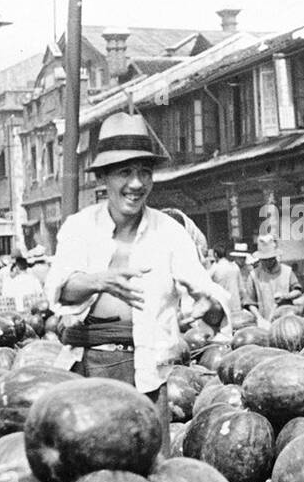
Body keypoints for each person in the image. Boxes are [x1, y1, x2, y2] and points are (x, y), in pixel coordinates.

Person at [47, 112, 226, 425]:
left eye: (144, 172)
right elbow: (60, 289)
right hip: (88, 367)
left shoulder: (170, 232)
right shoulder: (79, 228)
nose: (136, 183)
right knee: (91, 464)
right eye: (125, 172)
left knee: (148, 465)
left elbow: (208, 296)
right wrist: (98, 281)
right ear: (104, 177)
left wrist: (207, 303)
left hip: (148, 372)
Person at [248, 234, 302, 321]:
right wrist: (259, 318)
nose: (267, 262)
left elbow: (298, 291)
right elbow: (250, 302)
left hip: (285, 318)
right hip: (264, 318)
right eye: (264, 259)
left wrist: (285, 296)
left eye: (270, 259)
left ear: (274, 257)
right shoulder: (254, 275)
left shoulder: (287, 271)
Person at [210, 243, 249, 317]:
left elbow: (206, 285)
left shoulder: (215, 268)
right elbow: (242, 289)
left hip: (222, 308)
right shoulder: (235, 267)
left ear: (215, 254)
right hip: (236, 307)